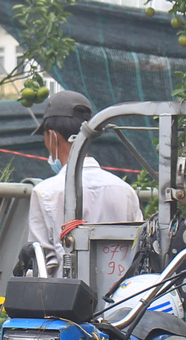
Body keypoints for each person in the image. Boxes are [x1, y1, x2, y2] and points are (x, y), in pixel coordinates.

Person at [24, 90, 144, 262]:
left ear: (52, 136)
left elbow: (41, 264)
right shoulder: (125, 191)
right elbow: (139, 250)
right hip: (122, 287)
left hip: (66, 289)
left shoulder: (45, 193)